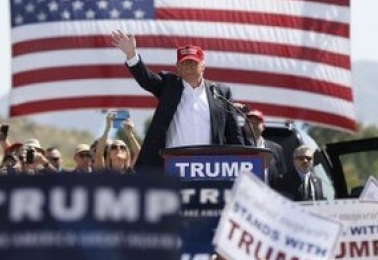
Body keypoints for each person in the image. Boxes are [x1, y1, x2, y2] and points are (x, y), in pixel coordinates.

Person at [111, 30, 243, 168]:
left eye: (193, 63)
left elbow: (234, 133)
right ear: (177, 67)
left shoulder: (221, 93)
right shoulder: (169, 86)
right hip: (174, 166)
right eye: (184, 63)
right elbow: (146, 79)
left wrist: (245, 161)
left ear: (203, 66)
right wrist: (132, 55)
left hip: (210, 167)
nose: (188, 67)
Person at [244, 109, 286, 182]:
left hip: (268, 191)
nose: (252, 125)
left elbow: (283, 176)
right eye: (249, 122)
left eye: (256, 122)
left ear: (263, 127)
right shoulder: (238, 147)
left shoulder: (275, 148)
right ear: (244, 126)